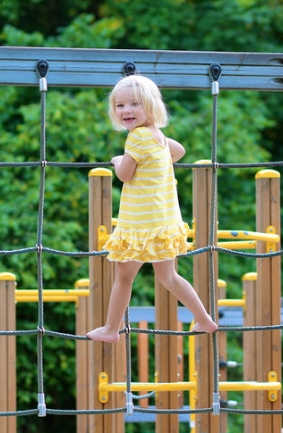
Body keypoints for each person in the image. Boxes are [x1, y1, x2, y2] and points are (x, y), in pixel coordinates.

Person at [86, 75, 218, 344]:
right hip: (163, 222)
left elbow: (124, 174)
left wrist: (117, 159)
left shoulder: (137, 138)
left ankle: (111, 329)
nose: (126, 110)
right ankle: (204, 319)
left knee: (124, 277)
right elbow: (179, 151)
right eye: (120, 105)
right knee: (169, 277)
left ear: (151, 106)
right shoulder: (158, 136)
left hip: (140, 225)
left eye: (135, 104)